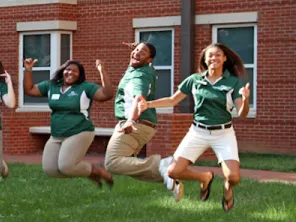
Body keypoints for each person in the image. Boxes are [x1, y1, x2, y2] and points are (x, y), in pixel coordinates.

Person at [137, 43, 250, 212]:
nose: (214, 58)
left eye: (218, 55)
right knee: (173, 172)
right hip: (198, 132)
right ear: (205, 59)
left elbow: (242, 113)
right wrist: (148, 104)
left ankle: (228, 190)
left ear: (224, 58)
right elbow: (172, 100)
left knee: (233, 177)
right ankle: (205, 178)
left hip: (223, 133)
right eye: (210, 55)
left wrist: (246, 99)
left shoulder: (232, 82)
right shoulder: (195, 80)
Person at [105, 42, 182, 200]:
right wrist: (137, 51)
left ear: (150, 60)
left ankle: (162, 164)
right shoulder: (140, 69)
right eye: (136, 50)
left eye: (143, 52)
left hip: (136, 124)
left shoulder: (140, 75)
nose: (137, 53)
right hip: (143, 125)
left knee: (113, 162)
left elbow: (139, 98)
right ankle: (168, 175)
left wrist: (130, 121)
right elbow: (133, 64)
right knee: (129, 165)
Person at [22, 59, 115, 187]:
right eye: (68, 69)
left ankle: (97, 170)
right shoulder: (52, 86)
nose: (70, 72)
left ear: (80, 74)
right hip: (57, 134)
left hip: (80, 131)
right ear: (62, 71)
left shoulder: (85, 87)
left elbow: (107, 95)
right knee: (50, 170)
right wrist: (28, 69)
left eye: (75, 71)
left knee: (66, 166)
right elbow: (30, 90)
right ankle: (90, 172)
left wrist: (102, 71)